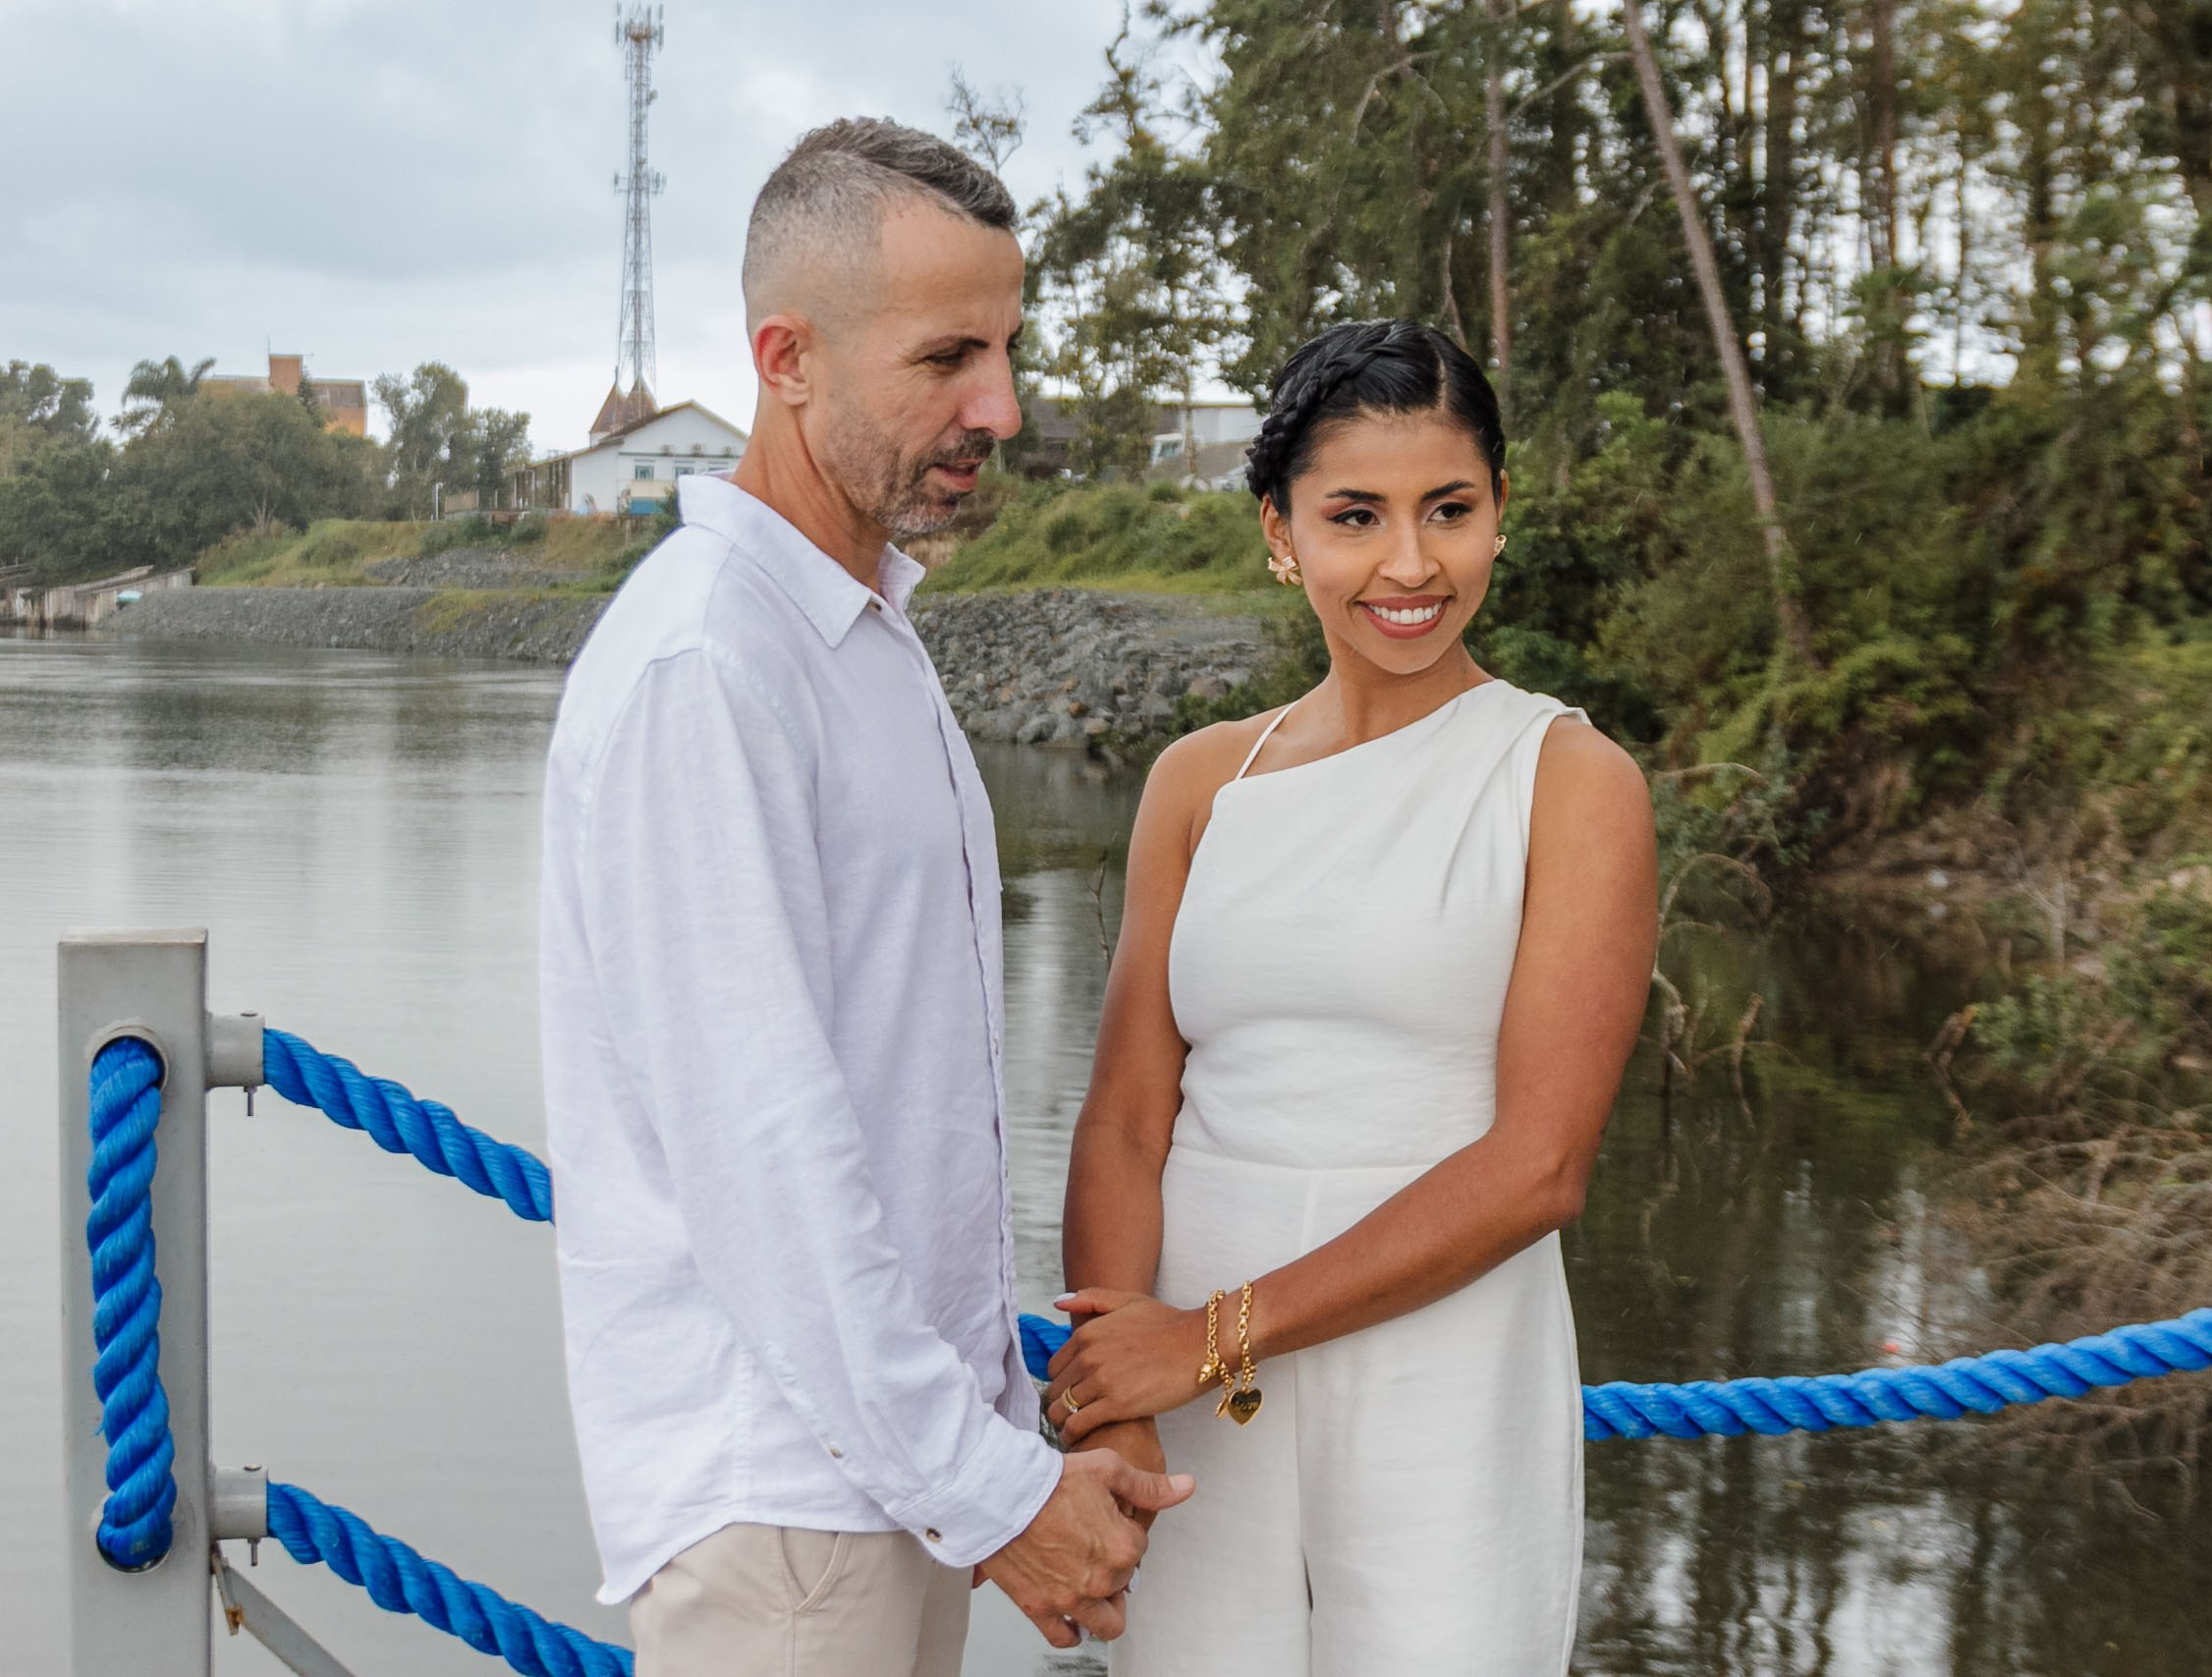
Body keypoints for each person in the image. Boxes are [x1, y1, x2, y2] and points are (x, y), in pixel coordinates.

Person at [538, 118, 1189, 1677]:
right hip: (784, 1518)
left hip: (876, 1486)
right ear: (789, 360)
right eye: (948, 358)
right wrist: (996, 1495)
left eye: (1009, 349)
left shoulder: (852, 637)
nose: (1002, 409)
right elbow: (765, 1156)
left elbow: (889, 1102)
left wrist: (985, 1456)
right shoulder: (712, 664)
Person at [1046, 317, 1659, 1672]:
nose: (1407, 563)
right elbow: (1128, 1123)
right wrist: (1119, 1406)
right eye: (1355, 514)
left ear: (1501, 515)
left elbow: (1540, 1165)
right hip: (1187, 1400)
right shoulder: (1198, 784)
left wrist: (1212, 1341)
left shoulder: (1566, 780)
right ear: (1281, 530)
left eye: (1450, 510)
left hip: (1441, 1369)